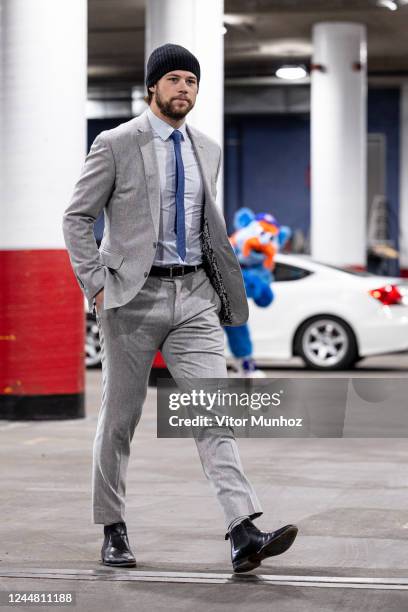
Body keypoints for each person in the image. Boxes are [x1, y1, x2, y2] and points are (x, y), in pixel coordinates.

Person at [62, 43, 298, 573]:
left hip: (194, 298)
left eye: (191, 80)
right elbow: (77, 217)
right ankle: (113, 527)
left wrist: (220, 288)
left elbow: (205, 227)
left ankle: (243, 531)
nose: (183, 89)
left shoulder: (207, 149)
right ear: (153, 87)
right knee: (120, 420)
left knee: (213, 412)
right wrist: (96, 285)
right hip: (130, 297)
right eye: (173, 79)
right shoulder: (116, 143)